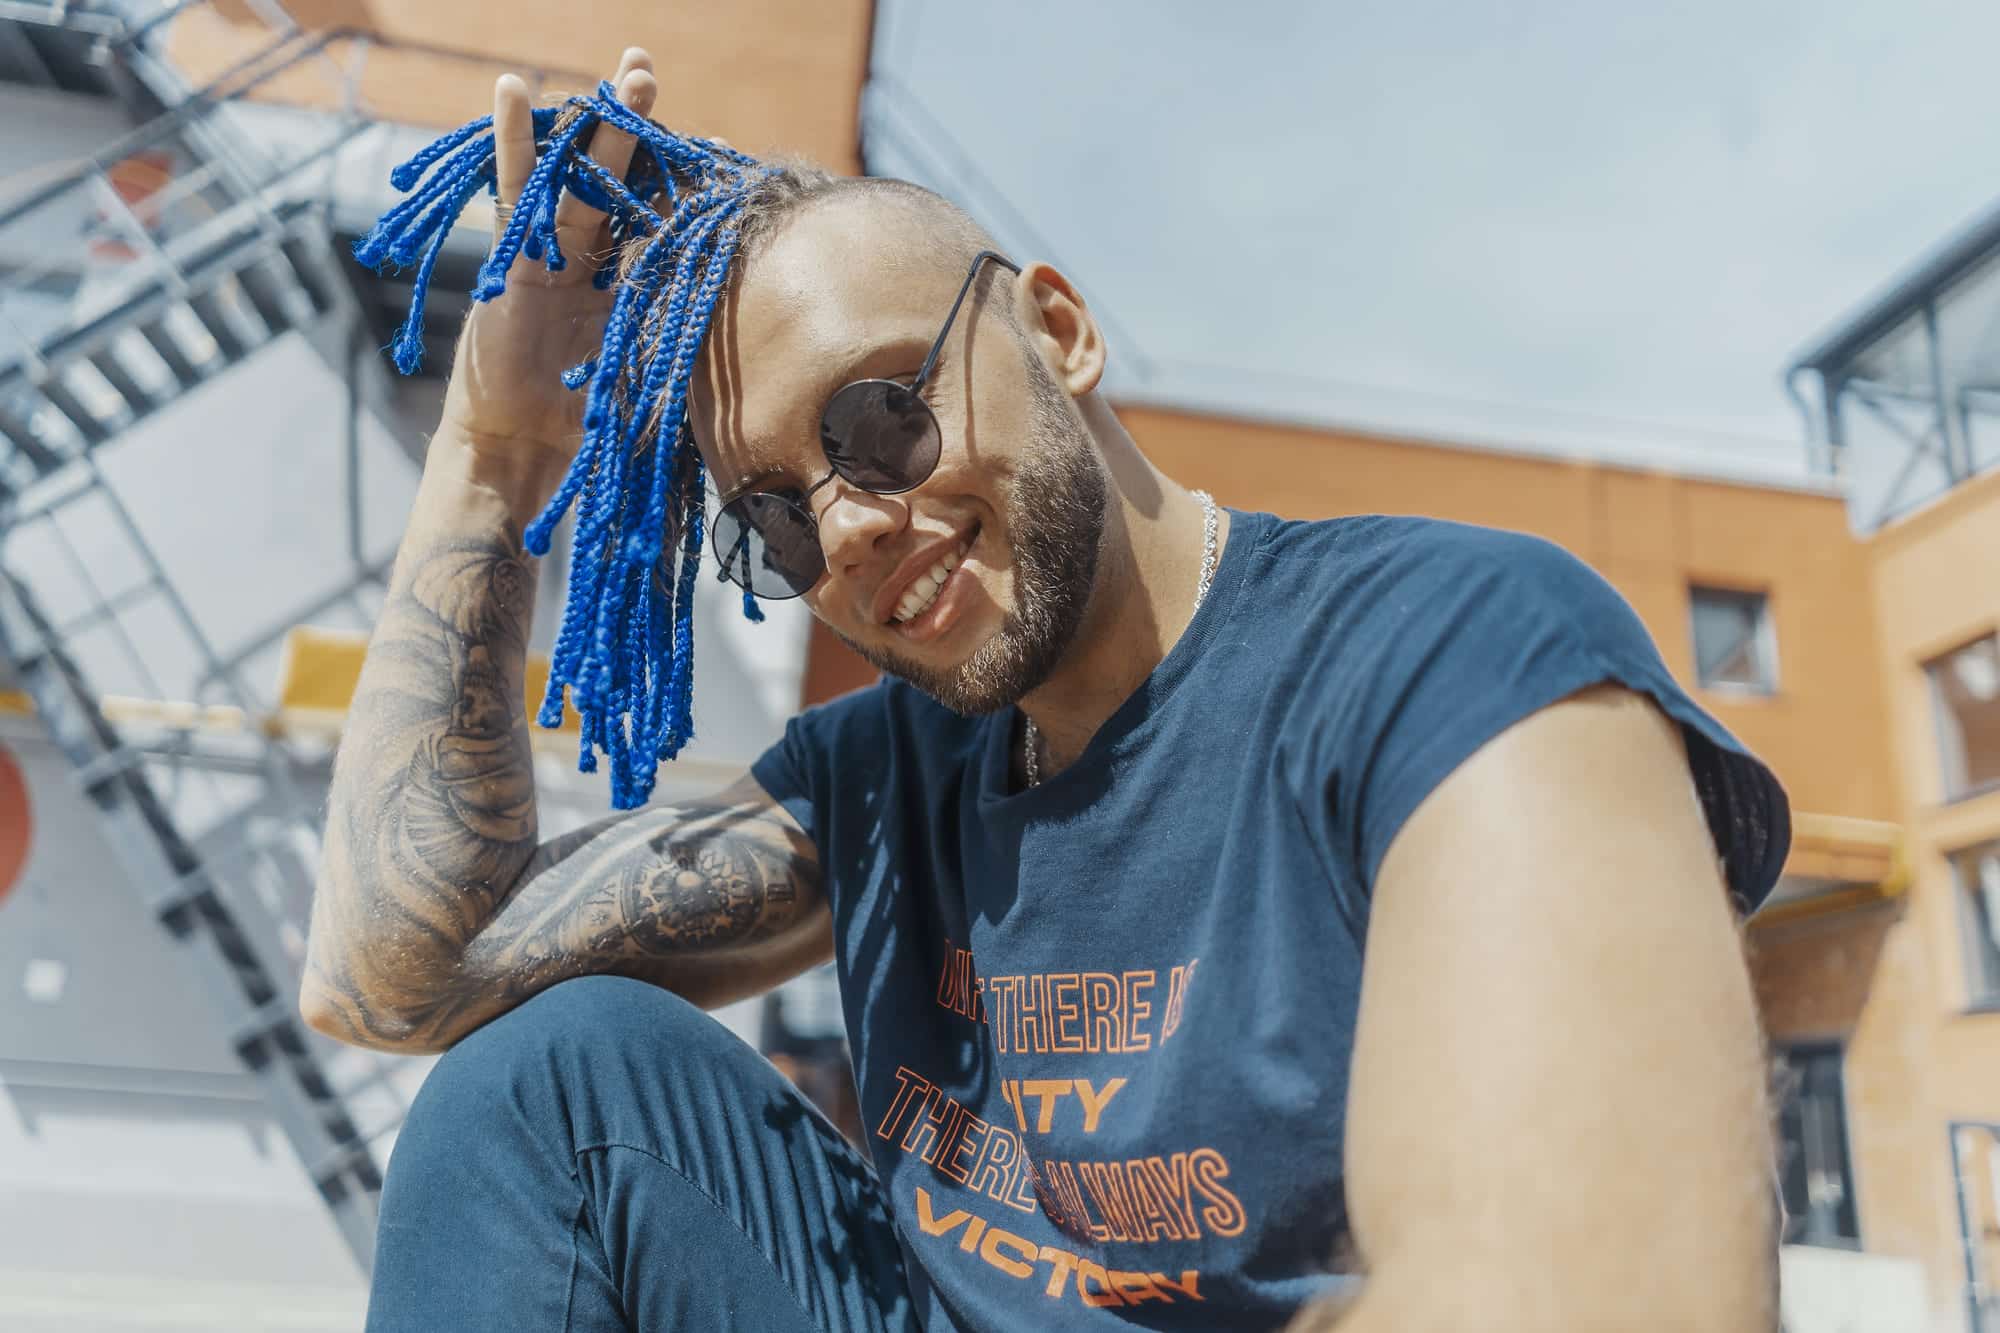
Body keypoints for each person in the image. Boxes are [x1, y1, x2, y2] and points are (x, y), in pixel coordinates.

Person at [303, 45, 1789, 1333]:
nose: (852, 523)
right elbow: (398, 974)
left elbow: (1595, 1291)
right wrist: (493, 452)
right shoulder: (885, 782)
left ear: (1061, 332)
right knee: (548, 1088)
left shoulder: (1448, 651)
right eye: (772, 518)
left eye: (882, 415)